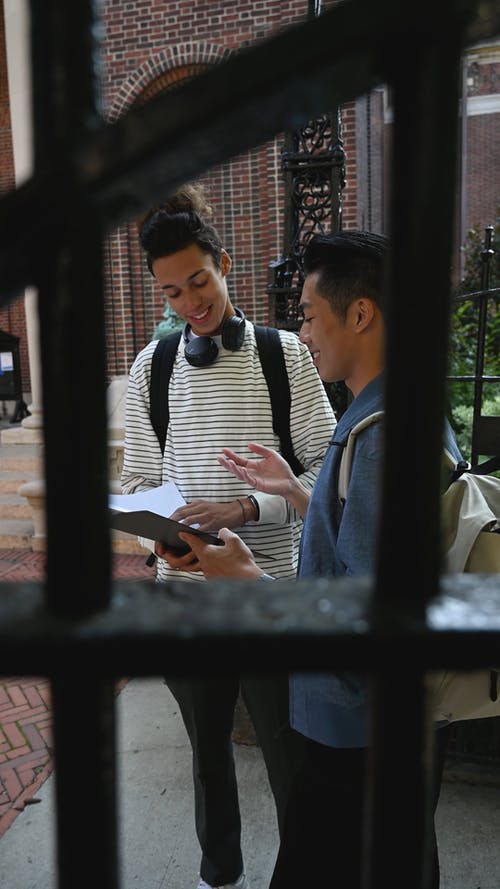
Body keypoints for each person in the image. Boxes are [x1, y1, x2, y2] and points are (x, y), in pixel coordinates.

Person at [172, 230, 463, 889]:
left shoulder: (385, 432)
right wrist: (300, 491)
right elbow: (373, 547)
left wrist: (248, 577)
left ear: (359, 313)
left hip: (356, 738)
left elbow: (368, 621)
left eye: (307, 314)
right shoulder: (387, 411)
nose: (302, 333)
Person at [120, 184, 337, 889]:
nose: (189, 303)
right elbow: (138, 479)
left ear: (226, 262)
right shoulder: (148, 370)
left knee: (289, 755)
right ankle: (221, 871)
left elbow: (326, 476)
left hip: (269, 592)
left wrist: (243, 509)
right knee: (206, 753)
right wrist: (161, 535)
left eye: (199, 282)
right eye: (172, 292)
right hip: (182, 596)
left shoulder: (285, 356)